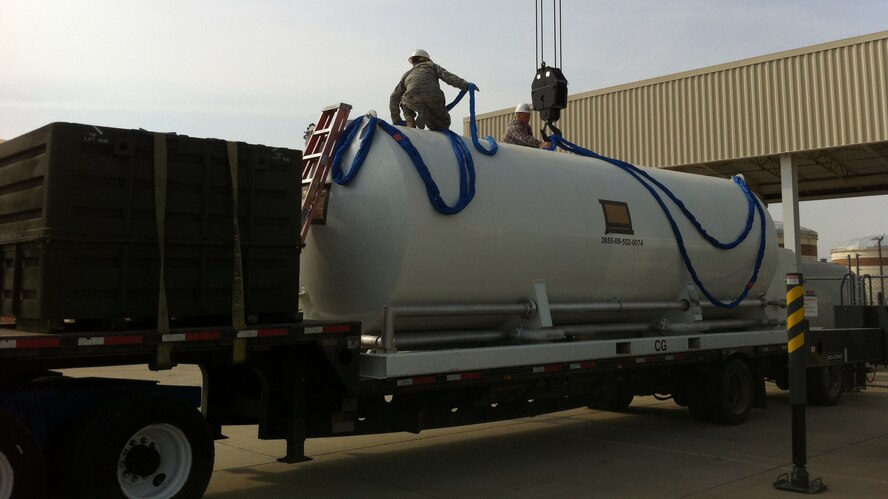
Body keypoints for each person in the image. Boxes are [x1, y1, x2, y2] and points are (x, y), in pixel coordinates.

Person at [390, 49, 475, 130]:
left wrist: (396, 121)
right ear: (427, 60)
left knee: (404, 101)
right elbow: (448, 77)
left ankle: (410, 121)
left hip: (412, 99)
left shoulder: (407, 74)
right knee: (444, 124)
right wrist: (465, 85)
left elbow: (394, 96)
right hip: (434, 99)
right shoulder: (432, 66)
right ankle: (428, 115)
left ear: (413, 62)